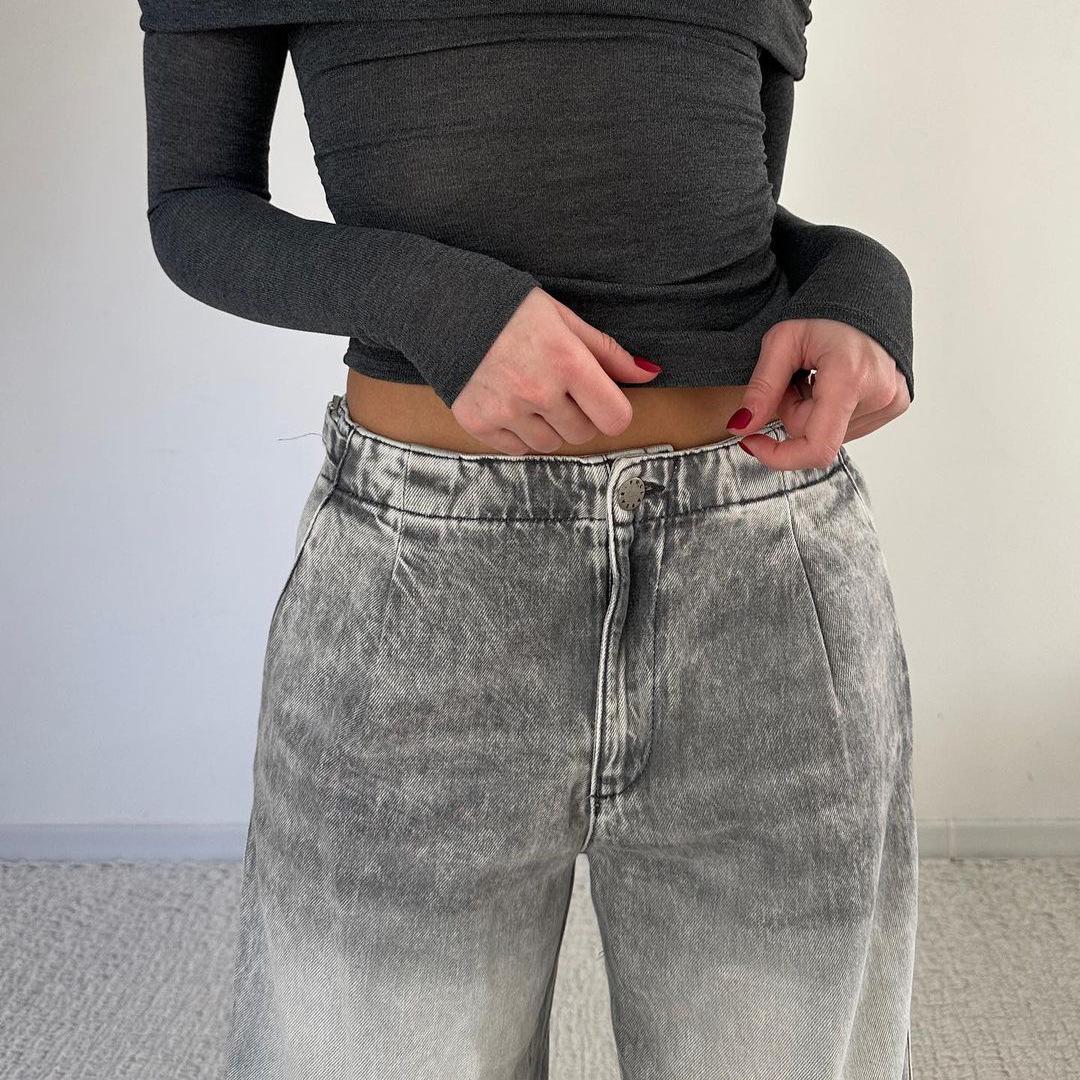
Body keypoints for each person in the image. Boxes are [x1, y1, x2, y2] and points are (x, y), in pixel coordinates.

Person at [140, 3, 918, 1077]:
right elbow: (194, 206)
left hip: (765, 569)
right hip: (424, 590)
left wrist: (863, 284)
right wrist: (437, 302)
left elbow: (727, 225)